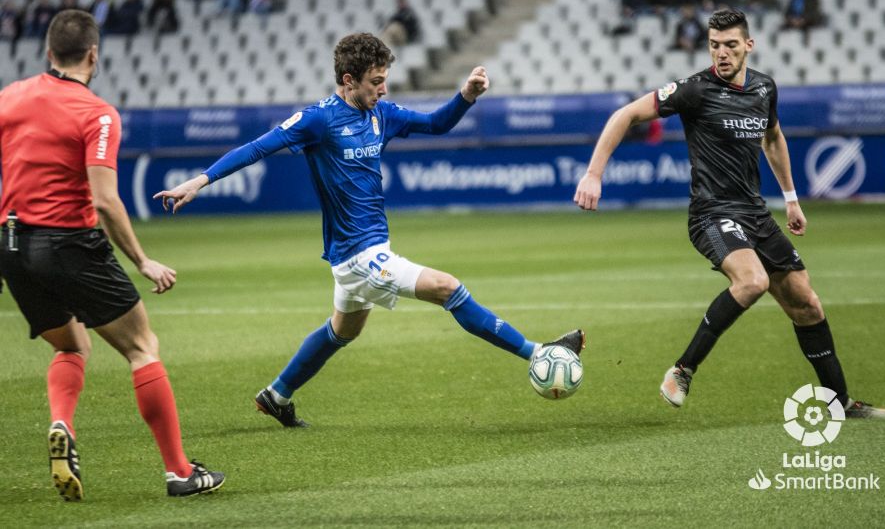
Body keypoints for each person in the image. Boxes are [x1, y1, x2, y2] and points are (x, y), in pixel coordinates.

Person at [154, 33, 584, 428]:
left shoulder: (384, 114)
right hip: (358, 256)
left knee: (343, 331)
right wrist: (199, 181)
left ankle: (276, 394)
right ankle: (540, 352)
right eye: (376, 81)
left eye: (385, 79)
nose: (384, 89)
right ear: (348, 80)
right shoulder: (317, 120)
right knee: (448, 288)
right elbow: (256, 148)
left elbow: (436, 125)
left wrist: (465, 97)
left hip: (368, 248)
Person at [573, 8, 885, 420]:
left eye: (729, 45)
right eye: (713, 45)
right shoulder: (694, 90)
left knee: (808, 305)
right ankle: (682, 369)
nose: (721, 53)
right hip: (711, 213)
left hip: (755, 214)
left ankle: (840, 403)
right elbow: (626, 114)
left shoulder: (764, 88)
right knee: (753, 281)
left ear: (748, 44)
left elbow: (773, 138)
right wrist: (594, 174)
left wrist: (791, 198)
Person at [0, 10, 225, 500]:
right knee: (142, 347)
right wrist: (142, 260)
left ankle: (62, 424)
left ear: (47, 52)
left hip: (14, 245)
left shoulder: (9, 97)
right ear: (94, 55)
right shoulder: (97, 114)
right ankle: (180, 472)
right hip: (69, 243)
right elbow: (104, 200)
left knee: (71, 346)